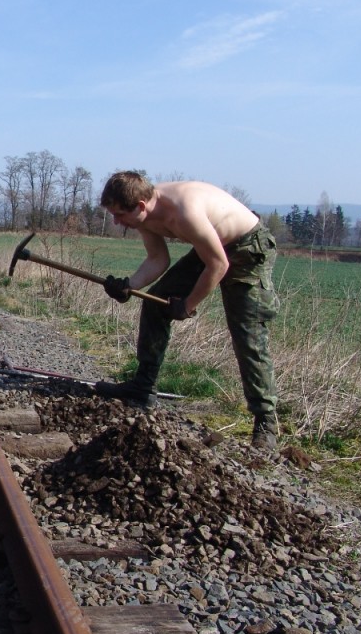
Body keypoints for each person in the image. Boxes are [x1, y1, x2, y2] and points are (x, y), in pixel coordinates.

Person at [94, 171, 280, 449]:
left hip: (247, 248)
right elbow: (158, 259)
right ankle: (143, 388)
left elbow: (218, 265)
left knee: (248, 334)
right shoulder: (144, 215)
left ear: (141, 207)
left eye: (119, 215)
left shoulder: (184, 212)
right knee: (155, 301)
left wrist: (188, 305)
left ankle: (266, 422)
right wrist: (129, 286)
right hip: (215, 246)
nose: (117, 222)